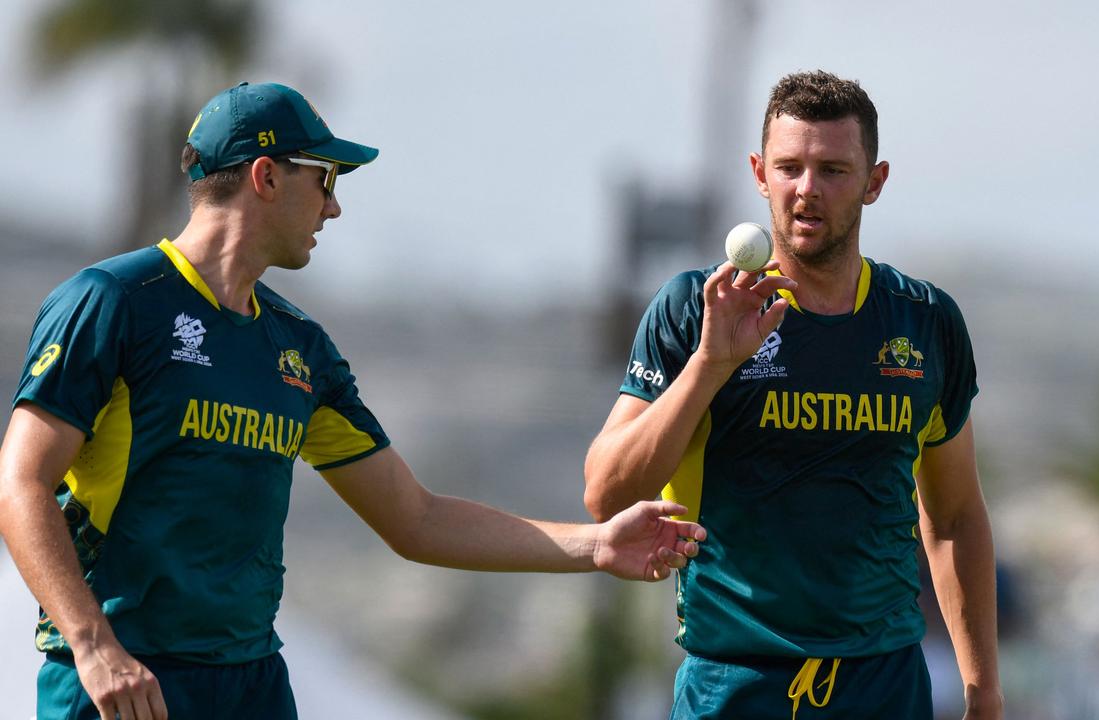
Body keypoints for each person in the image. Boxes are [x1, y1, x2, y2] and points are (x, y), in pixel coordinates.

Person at [0, 81, 705, 720]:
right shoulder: (114, 302)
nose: (334, 205)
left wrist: (598, 544)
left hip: (250, 685)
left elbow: (416, 519)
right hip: (124, 686)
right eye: (325, 178)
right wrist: (94, 647)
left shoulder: (299, 349)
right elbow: (20, 483)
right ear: (265, 176)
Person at [584, 70, 1002, 719]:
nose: (807, 190)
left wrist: (983, 689)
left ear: (875, 181)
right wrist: (709, 363)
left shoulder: (925, 322)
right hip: (734, 685)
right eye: (790, 167)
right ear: (759, 172)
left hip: (884, 687)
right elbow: (606, 492)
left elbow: (952, 519)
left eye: (833, 169)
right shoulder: (695, 311)